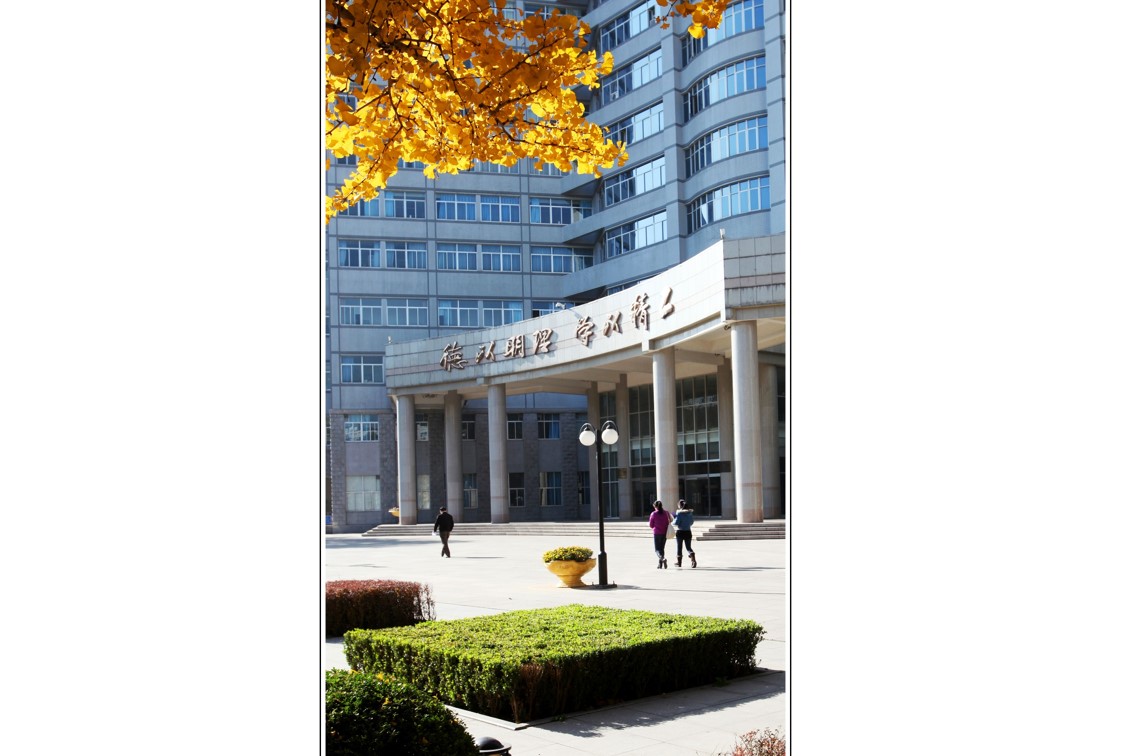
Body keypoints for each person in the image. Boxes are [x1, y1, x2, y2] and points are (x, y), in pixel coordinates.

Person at [647, 500, 673, 569]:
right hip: (665, 532)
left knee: (657, 550)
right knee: (662, 548)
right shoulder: (666, 513)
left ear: (655, 506)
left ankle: (662, 558)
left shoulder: (653, 514)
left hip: (657, 533)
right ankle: (660, 564)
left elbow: (651, 525)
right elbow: (671, 520)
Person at [672, 499, 697, 568]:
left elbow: (676, 523)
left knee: (679, 547)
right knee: (688, 547)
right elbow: (691, 522)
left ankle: (679, 563)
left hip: (680, 532)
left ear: (680, 506)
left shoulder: (679, 513)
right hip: (688, 531)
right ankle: (693, 558)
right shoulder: (690, 513)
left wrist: (673, 520)